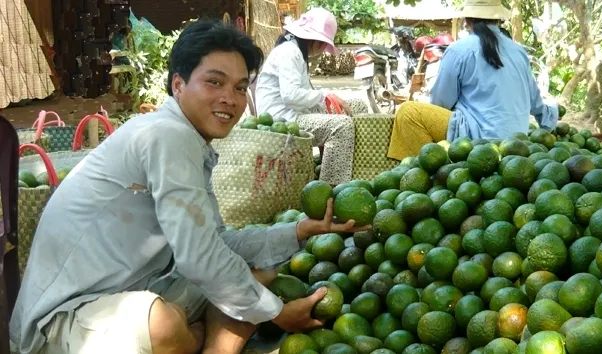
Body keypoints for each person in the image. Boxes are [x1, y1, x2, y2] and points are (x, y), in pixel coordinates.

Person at [10, 20, 368, 354]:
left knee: (255, 274)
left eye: (241, 87)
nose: (231, 97)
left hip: (137, 286)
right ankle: (203, 342)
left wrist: (300, 231)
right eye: (215, 82)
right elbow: (200, 257)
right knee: (170, 321)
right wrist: (277, 313)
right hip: (61, 321)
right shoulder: (168, 136)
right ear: (178, 84)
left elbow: (215, 243)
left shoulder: (186, 141)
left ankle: (201, 338)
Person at [387, 0, 559, 161]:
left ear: (467, 20)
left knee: (408, 112)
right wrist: (548, 121)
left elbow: (440, 103)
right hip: (516, 144)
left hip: (477, 142)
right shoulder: (519, 52)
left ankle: (429, 173)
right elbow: (536, 105)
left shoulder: (459, 50)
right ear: (498, 19)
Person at [255, 8, 366, 186]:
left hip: (295, 112)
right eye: (323, 44)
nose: (323, 49)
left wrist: (326, 99)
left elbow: (302, 96)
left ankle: (358, 171)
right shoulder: (289, 52)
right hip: (282, 120)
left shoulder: (297, 52)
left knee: (356, 106)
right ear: (312, 39)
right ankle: (331, 188)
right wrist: (324, 96)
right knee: (341, 126)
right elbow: (291, 96)